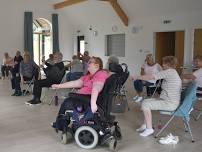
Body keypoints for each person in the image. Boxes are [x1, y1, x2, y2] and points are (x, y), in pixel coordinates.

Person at [51, 57, 109, 129]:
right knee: (67, 101)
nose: (88, 63)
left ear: (96, 66)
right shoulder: (87, 77)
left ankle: (60, 125)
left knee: (67, 103)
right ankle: (61, 124)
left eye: (90, 62)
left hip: (87, 100)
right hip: (83, 99)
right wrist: (58, 86)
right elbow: (75, 83)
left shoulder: (101, 74)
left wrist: (93, 103)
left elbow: (97, 87)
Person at [134, 56, 182, 137]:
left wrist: (137, 77)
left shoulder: (169, 72)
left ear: (168, 64)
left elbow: (151, 77)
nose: (162, 65)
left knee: (146, 104)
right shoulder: (172, 71)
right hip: (168, 100)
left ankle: (149, 129)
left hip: (170, 103)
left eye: (164, 63)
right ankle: (145, 125)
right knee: (146, 101)